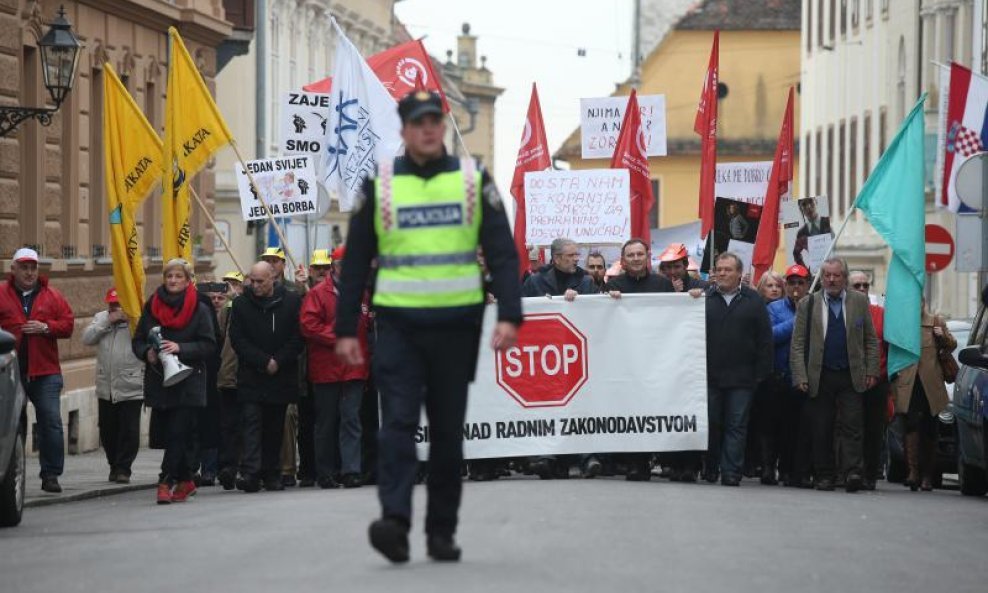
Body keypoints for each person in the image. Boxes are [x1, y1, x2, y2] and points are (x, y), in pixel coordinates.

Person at [335, 90, 521, 564]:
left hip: (456, 328)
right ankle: (394, 522)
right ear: (404, 130)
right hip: (397, 326)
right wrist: (345, 331)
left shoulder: (472, 181)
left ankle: (442, 532)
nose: (428, 129)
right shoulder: (380, 186)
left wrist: (510, 315)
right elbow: (354, 261)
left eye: (435, 120)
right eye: (419, 122)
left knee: (446, 434)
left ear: (443, 125)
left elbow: (502, 253)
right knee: (396, 426)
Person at [790, 257, 879, 492]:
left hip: (851, 374)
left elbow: (870, 339)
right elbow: (797, 344)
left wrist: (872, 370)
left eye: (836, 275)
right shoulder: (808, 304)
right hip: (821, 374)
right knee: (822, 427)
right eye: (827, 275)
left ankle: (852, 473)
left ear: (844, 278)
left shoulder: (859, 302)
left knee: (853, 425)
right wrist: (800, 376)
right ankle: (825, 475)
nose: (831, 279)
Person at [132, 259, 216, 504]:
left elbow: (209, 345)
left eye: (179, 276)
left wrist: (181, 347)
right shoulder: (152, 306)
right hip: (161, 381)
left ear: (188, 281)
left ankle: (165, 481)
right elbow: (138, 340)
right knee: (169, 435)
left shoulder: (199, 308)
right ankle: (186, 479)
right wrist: (146, 353)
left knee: (178, 432)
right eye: (169, 276)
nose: (173, 281)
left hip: (189, 380)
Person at [0, 247, 75, 493]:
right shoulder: (1, 293)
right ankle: (10, 474)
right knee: (9, 424)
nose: (29, 273)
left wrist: (46, 327)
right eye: (24, 268)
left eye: (33, 268)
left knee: (51, 422)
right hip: (10, 371)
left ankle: (51, 475)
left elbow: (68, 324)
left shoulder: (51, 294)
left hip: (45, 371)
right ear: (13, 270)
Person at [229, 261, 304, 493]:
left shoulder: (291, 302)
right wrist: (263, 361)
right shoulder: (241, 304)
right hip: (252, 375)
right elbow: (238, 339)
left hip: (281, 376)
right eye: (252, 280)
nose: (255, 285)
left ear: (273, 278)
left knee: (274, 427)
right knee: (251, 424)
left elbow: (297, 338)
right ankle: (251, 473)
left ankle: (272, 473)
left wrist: (278, 361)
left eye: (260, 281)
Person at [605, 238, 675, 480]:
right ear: (624, 260)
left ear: (647, 256)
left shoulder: (663, 284)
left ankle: (656, 460)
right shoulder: (613, 285)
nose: (635, 258)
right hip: (625, 360)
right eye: (631, 255)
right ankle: (634, 463)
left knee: (653, 410)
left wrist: (691, 298)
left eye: (639, 254)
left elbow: (674, 316)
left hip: (655, 358)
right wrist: (607, 302)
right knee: (629, 411)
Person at [301, 247, 370, 489]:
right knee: (326, 422)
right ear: (334, 266)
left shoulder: (363, 293)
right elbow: (309, 325)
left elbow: (368, 323)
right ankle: (326, 472)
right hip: (327, 369)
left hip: (353, 369)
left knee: (352, 420)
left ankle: (351, 470)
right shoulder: (319, 294)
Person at [703, 252, 773, 486]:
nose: (722, 273)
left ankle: (732, 471)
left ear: (739, 273)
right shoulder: (703, 298)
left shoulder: (754, 301)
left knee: (737, 426)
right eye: (719, 269)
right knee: (712, 424)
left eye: (728, 269)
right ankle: (710, 467)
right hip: (709, 377)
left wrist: (761, 374)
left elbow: (765, 339)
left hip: (743, 379)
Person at [891, 299, 955, 491]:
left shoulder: (935, 321)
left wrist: (942, 336)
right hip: (909, 382)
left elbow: (952, 344)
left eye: (918, 301)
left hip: (930, 382)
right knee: (910, 425)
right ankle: (913, 472)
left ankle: (927, 475)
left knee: (930, 428)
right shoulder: (901, 324)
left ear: (923, 303)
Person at [656, 243, 708, 482]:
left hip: (694, 362)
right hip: (666, 362)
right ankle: (670, 463)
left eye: (676, 266)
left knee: (691, 414)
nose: (672, 272)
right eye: (667, 268)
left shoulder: (701, 287)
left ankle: (691, 464)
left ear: (686, 265)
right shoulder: (657, 288)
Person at [82, 288, 144, 484]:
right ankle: (113, 464)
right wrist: (107, 322)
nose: (115, 309)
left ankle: (124, 468)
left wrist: (131, 320)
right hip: (106, 385)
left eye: (119, 305)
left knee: (129, 430)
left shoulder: (137, 318)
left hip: (131, 384)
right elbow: (87, 338)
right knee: (108, 429)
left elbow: (148, 340)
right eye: (112, 305)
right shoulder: (101, 318)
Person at [765, 265, 810, 486]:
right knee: (774, 426)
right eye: (791, 283)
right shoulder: (774, 308)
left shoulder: (815, 307)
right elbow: (770, 336)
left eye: (800, 283)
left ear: (807, 285)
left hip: (802, 378)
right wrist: (797, 320)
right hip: (779, 376)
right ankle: (769, 467)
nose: (795, 287)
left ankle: (791, 471)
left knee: (797, 429)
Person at [849, 270, 889, 490]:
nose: (862, 289)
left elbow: (889, 345)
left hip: (877, 381)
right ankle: (850, 470)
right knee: (850, 428)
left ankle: (870, 473)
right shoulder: (841, 310)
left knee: (874, 430)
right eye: (857, 286)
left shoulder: (881, 314)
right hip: (848, 379)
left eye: (865, 285)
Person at [746, 270, 786, 478]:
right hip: (760, 373)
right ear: (761, 288)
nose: (774, 289)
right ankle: (757, 462)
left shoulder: (789, 308)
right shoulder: (756, 308)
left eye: (778, 286)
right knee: (758, 421)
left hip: (782, 372)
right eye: (770, 285)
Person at [522, 238, 595, 301]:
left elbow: (597, 308)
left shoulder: (586, 282)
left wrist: (579, 299)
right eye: (571, 255)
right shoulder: (535, 282)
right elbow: (521, 307)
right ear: (557, 259)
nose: (576, 259)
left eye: (577, 255)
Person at [792, 198, 833, 269]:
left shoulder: (828, 222)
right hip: (814, 272)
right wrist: (805, 271)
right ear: (801, 210)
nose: (808, 207)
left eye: (811, 202)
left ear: (816, 203)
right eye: (804, 204)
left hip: (831, 268)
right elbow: (796, 253)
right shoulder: (801, 233)